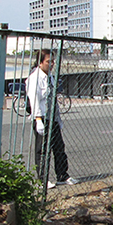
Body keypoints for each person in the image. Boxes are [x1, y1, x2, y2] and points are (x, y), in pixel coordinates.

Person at [26, 49, 78, 189]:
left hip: (52, 116)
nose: (52, 64)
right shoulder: (34, 78)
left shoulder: (50, 77)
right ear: (40, 62)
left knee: (59, 147)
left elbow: (53, 98)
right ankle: (43, 179)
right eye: (49, 61)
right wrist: (37, 119)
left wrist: (58, 119)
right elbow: (34, 99)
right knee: (42, 150)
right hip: (42, 116)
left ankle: (62, 174)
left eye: (53, 61)